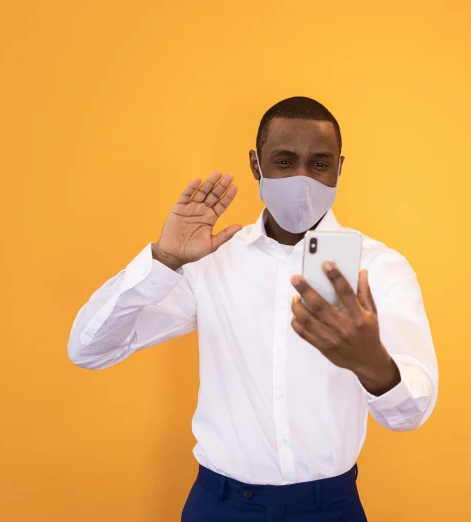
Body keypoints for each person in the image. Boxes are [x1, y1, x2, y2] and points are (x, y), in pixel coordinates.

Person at [67, 96, 439, 521]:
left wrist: (373, 365)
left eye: (319, 163)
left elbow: (411, 415)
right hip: (219, 505)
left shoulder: (379, 267)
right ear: (255, 164)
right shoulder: (210, 260)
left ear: (339, 167)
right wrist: (163, 261)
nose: (302, 178)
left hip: (329, 507)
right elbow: (89, 349)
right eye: (284, 160)